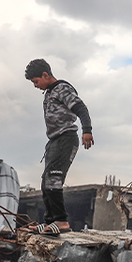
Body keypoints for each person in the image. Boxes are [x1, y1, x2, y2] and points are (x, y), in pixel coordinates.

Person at [25, 58, 93, 234]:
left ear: (45, 75)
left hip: (66, 139)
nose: (35, 86)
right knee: (45, 182)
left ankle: (62, 222)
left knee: (53, 180)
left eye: (36, 81)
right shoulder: (49, 92)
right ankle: (50, 222)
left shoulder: (62, 89)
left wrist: (87, 130)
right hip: (54, 141)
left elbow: (81, 108)